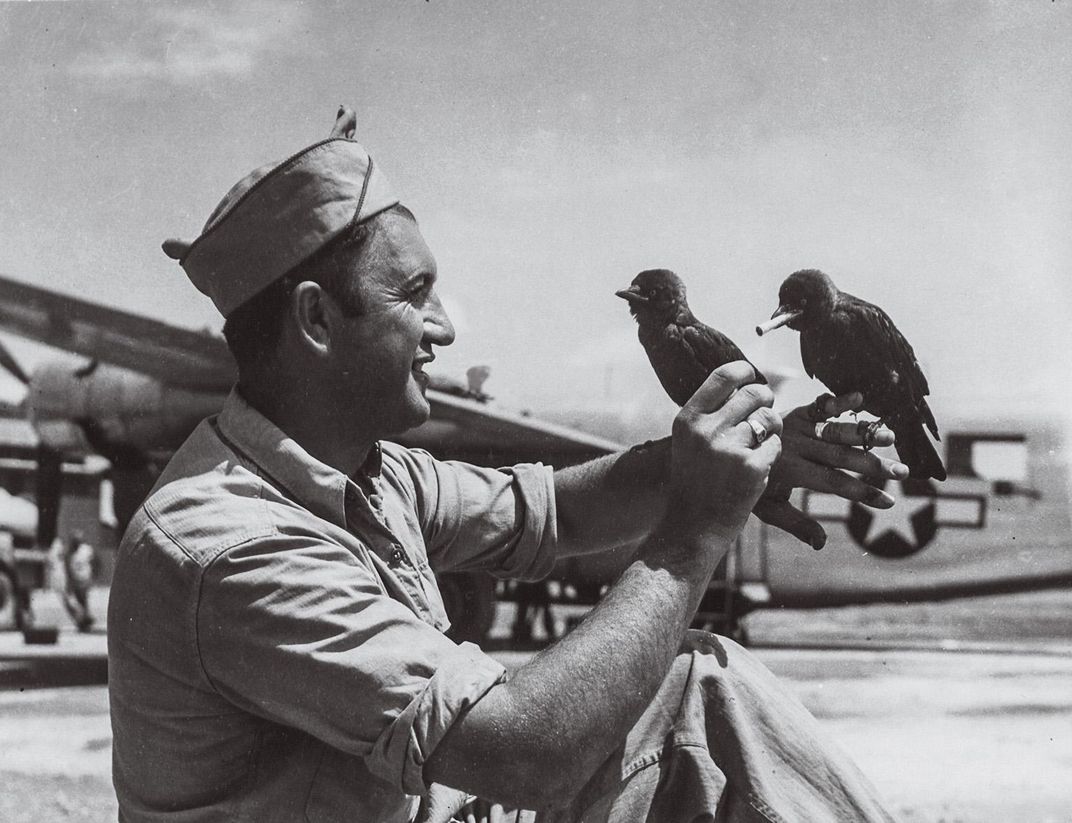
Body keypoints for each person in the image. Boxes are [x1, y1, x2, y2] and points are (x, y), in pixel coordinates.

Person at [109, 107, 908, 822]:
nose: (443, 328)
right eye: (413, 294)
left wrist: (718, 455)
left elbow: (552, 512)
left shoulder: (369, 474)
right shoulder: (236, 548)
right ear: (317, 317)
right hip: (490, 789)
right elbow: (530, 753)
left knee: (702, 680)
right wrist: (697, 529)